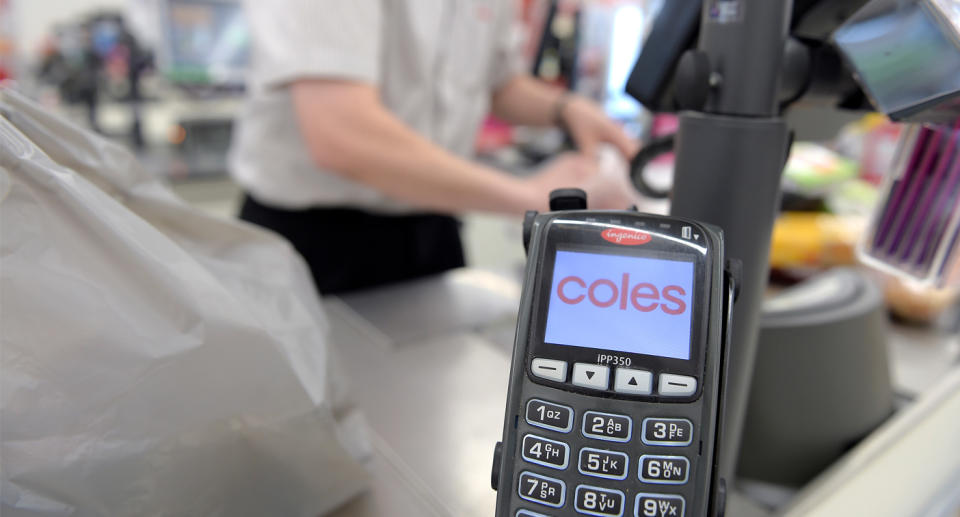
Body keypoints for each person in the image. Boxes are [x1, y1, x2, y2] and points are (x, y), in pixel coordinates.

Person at [229, 1, 639, 294]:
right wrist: (529, 198)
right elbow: (340, 132)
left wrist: (567, 110)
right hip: (313, 243)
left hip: (433, 229)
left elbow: (498, 82)